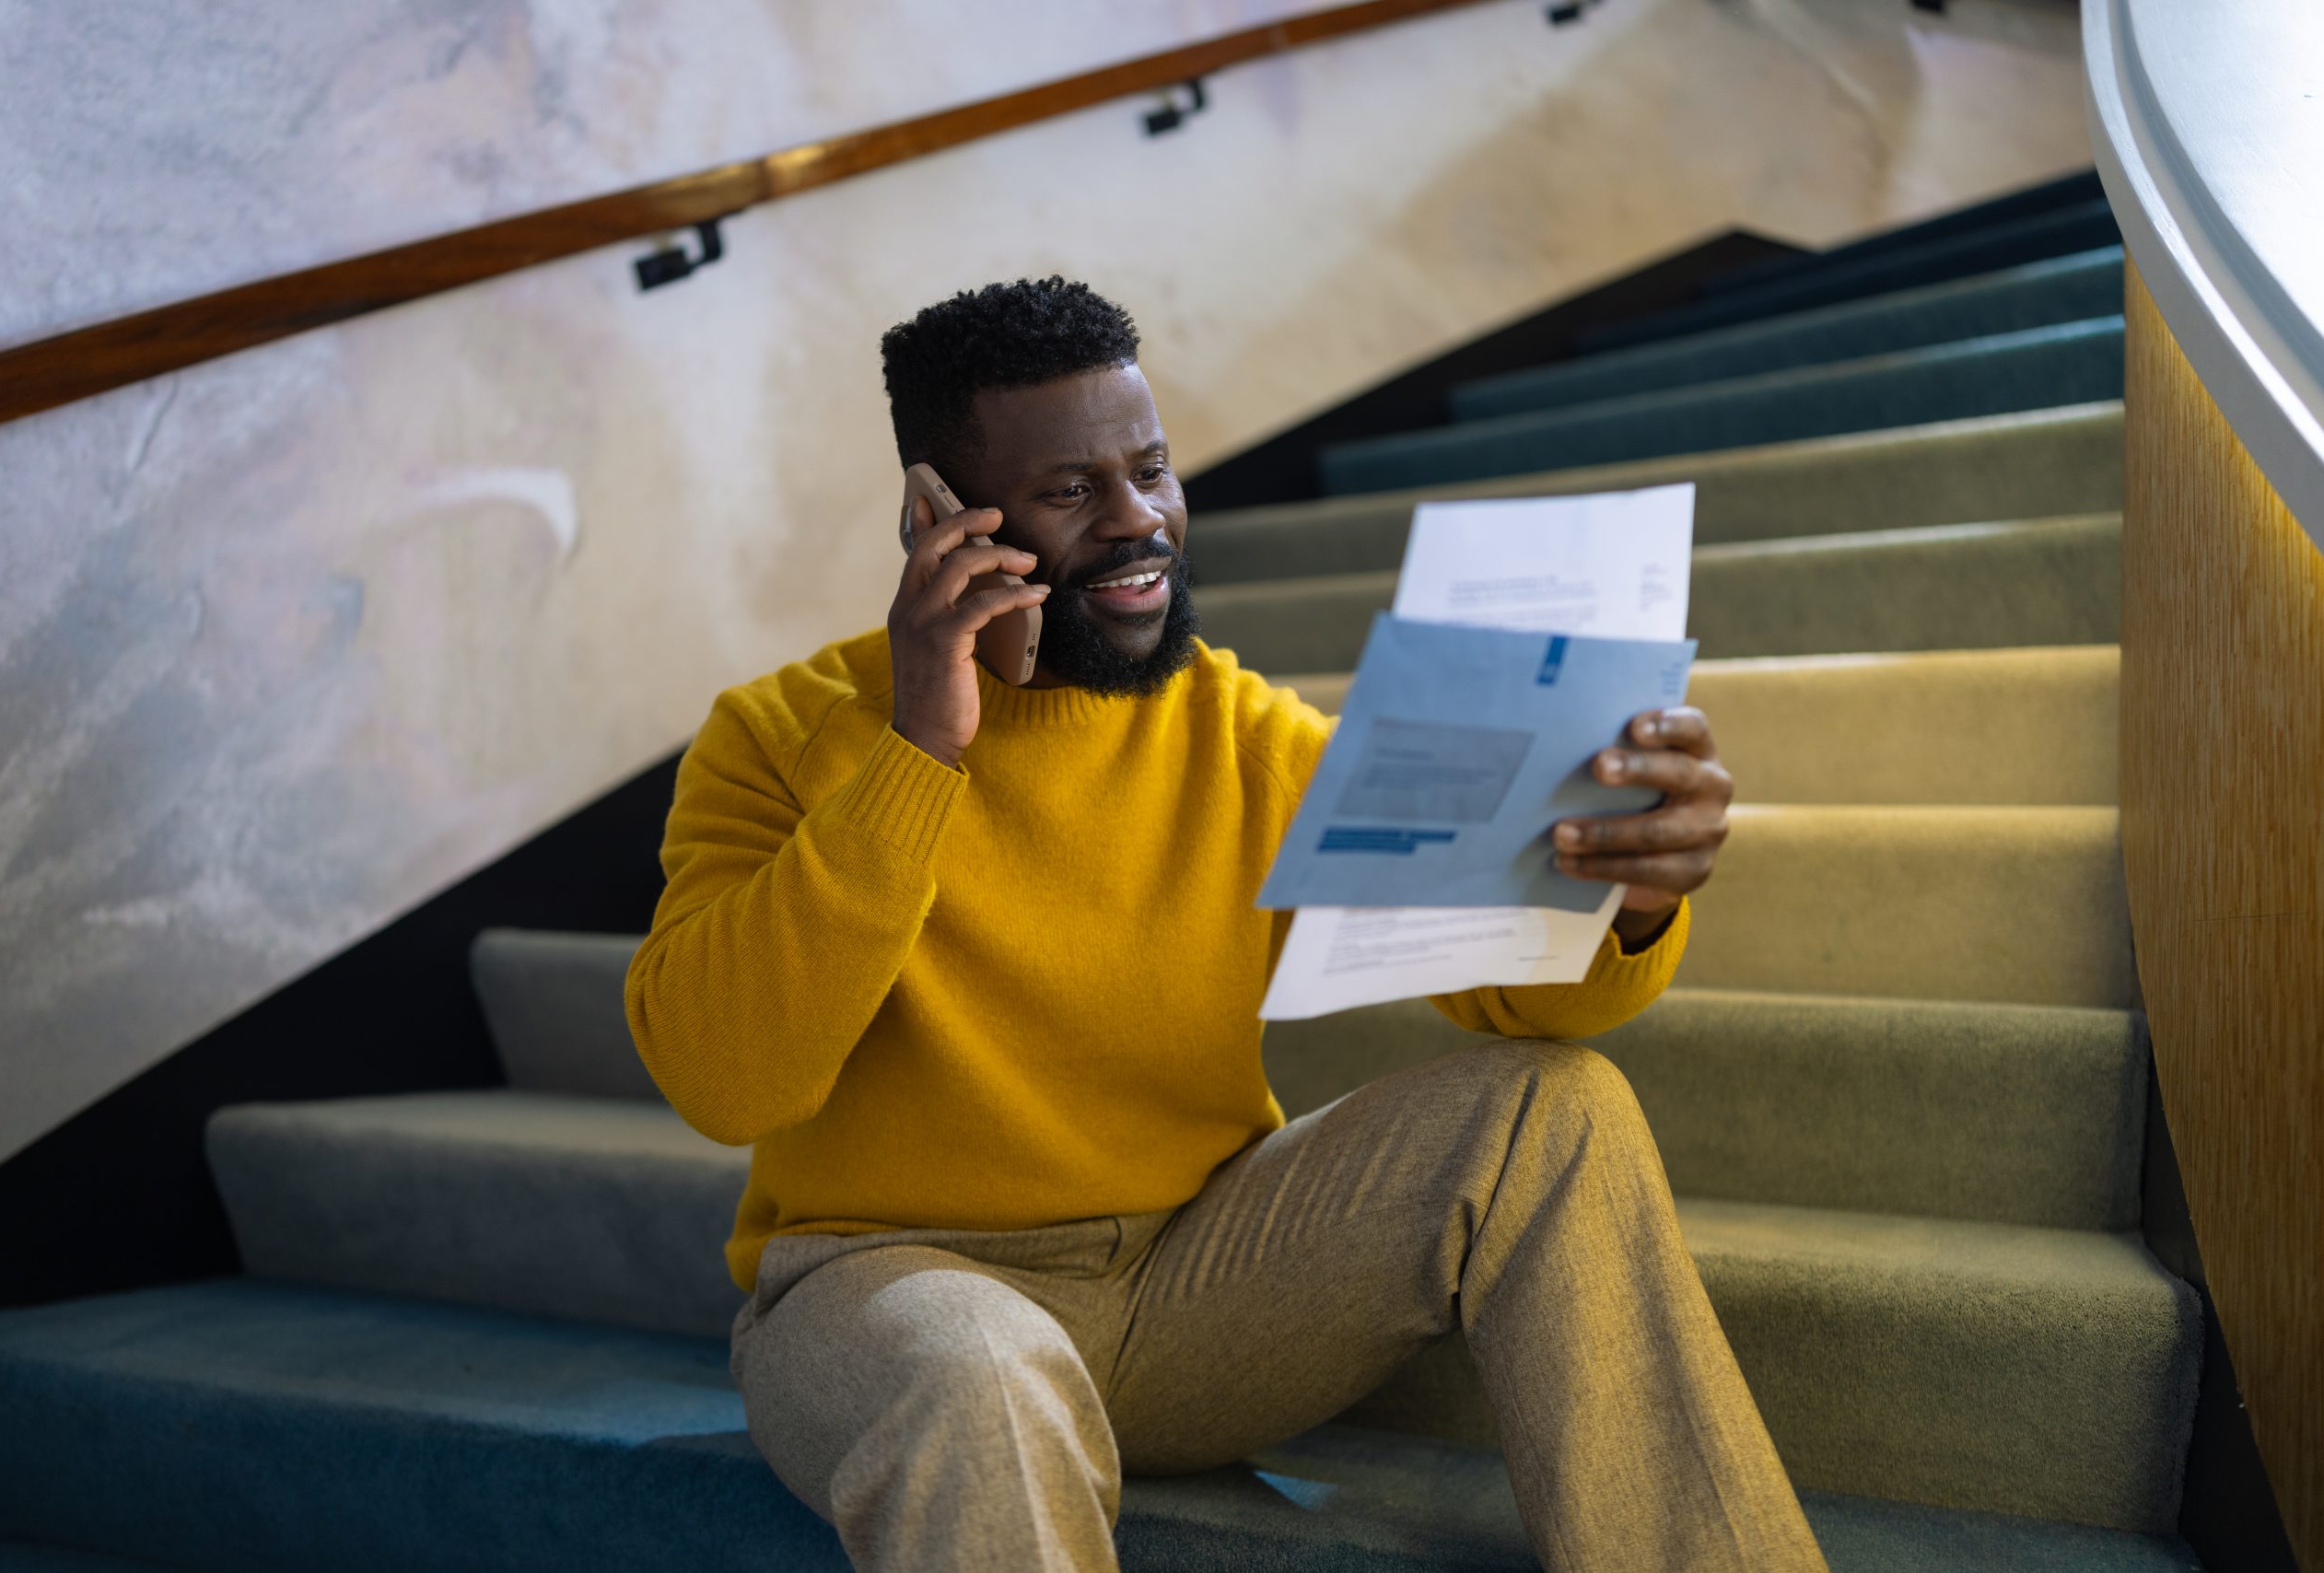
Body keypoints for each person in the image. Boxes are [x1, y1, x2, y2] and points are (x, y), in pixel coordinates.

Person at [625, 276, 1824, 1572]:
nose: (1140, 520)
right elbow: (725, 1080)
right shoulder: (777, 738)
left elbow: (1528, 996)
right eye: (1072, 490)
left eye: (1150, 471)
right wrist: (922, 747)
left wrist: (1632, 894)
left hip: (1194, 1289)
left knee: (1555, 1109)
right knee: (982, 1374)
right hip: (889, 1292)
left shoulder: (1246, 739)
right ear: (940, 520)